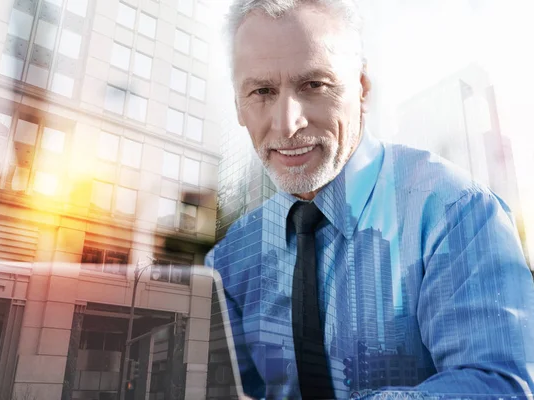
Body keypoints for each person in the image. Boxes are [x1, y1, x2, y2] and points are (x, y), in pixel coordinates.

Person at [206, 0, 534, 398]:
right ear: (240, 105)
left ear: (361, 89)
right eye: (261, 91)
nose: (287, 122)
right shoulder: (230, 261)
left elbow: (502, 385)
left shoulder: (456, 212)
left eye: (314, 85)